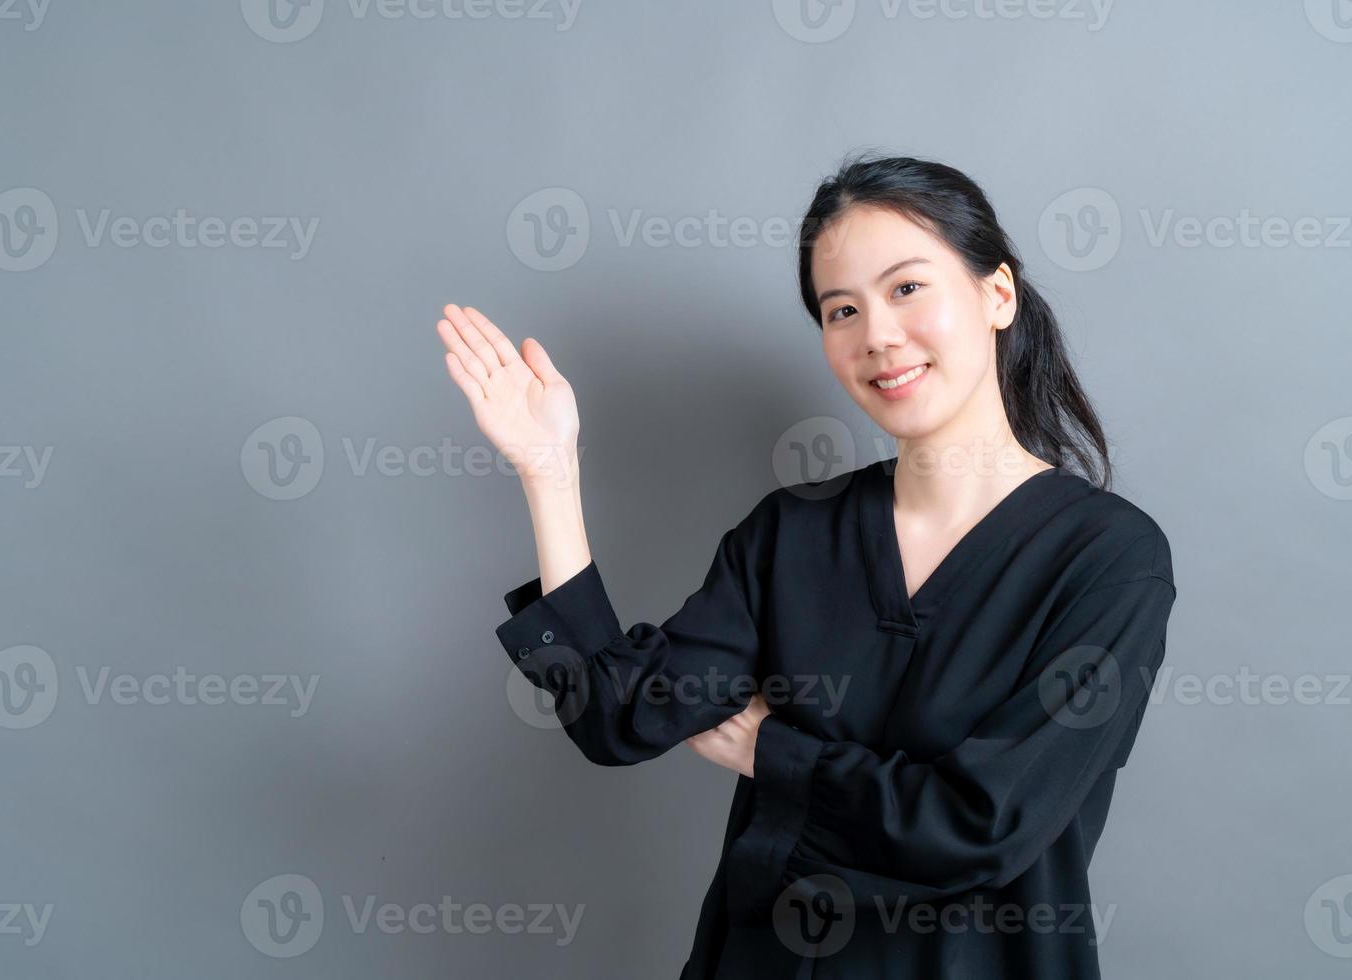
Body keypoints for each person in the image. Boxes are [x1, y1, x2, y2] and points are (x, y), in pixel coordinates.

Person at [435, 152, 1178, 979]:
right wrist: (550, 472)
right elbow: (621, 715)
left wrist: (771, 752)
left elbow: (980, 823)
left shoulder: (1108, 559)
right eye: (841, 310)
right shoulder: (794, 533)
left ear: (996, 294)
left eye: (906, 288)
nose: (878, 337)